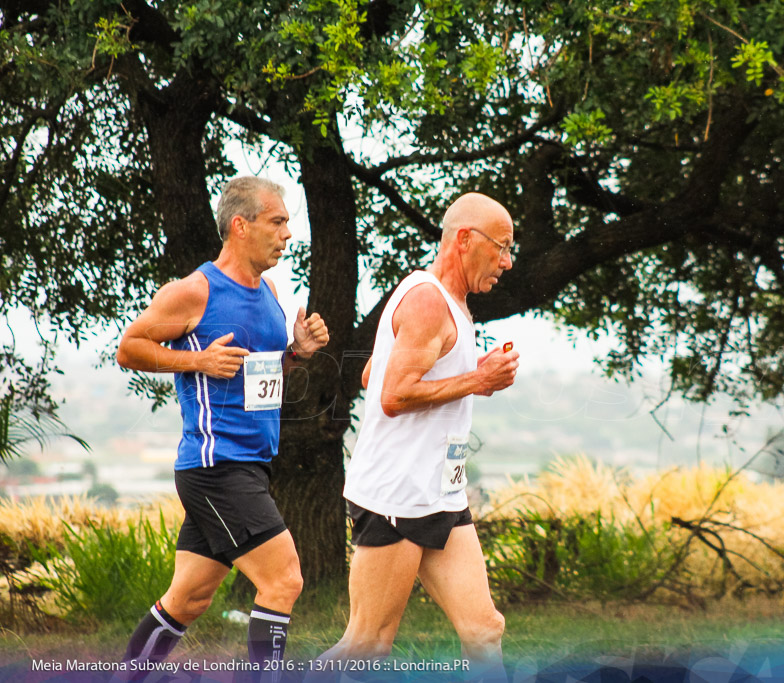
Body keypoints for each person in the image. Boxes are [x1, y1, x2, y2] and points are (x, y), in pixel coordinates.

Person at [115, 176, 329, 679]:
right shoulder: (195, 291)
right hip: (217, 467)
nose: (287, 235)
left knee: (187, 600)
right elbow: (128, 348)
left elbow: (263, 374)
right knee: (284, 581)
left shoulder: (271, 292)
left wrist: (296, 353)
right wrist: (198, 362)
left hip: (249, 465)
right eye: (277, 222)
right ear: (241, 225)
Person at [314, 192, 519, 678]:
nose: (508, 263)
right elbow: (392, 395)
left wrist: (469, 369)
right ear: (465, 239)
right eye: (502, 247)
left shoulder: (449, 300)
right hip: (397, 495)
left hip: (441, 494)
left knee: (485, 629)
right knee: (367, 644)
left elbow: (371, 375)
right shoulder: (428, 300)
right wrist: (477, 381)